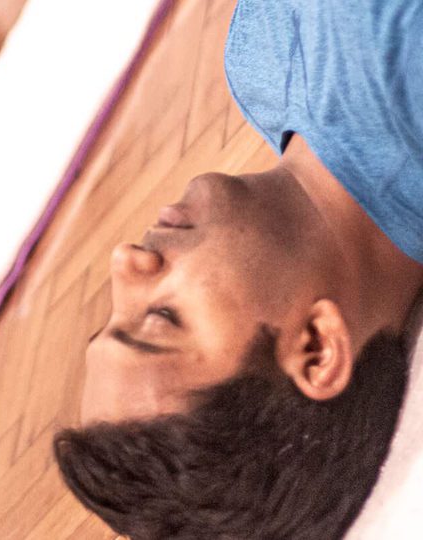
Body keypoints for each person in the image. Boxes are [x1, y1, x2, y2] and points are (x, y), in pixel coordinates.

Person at [52, 0, 423, 538]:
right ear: (317, 346)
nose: (125, 262)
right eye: (160, 318)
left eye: (112, 315)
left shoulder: (257, 72)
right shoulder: (399, 58)